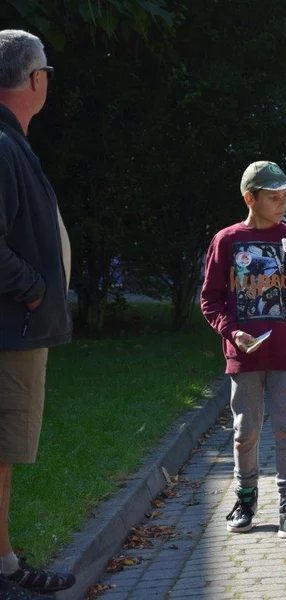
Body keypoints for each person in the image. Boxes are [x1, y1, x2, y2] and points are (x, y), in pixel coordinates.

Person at [200, 161, 286, 543]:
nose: (282, 203)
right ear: (250, 199)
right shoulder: (227, 240)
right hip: (245, 357)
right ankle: (245, 498)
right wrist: (232, 332)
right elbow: (210, 299)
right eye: (273, 197)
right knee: (245, 431)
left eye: (285, 196)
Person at [0, 29, 77, 600]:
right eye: (46, 69)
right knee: (1, 449)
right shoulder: (3, 145)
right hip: (11, 329)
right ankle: (4, 568)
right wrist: (34, 292)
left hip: (16, 326)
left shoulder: (10, 141)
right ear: (34, 78)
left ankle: (4, 560)